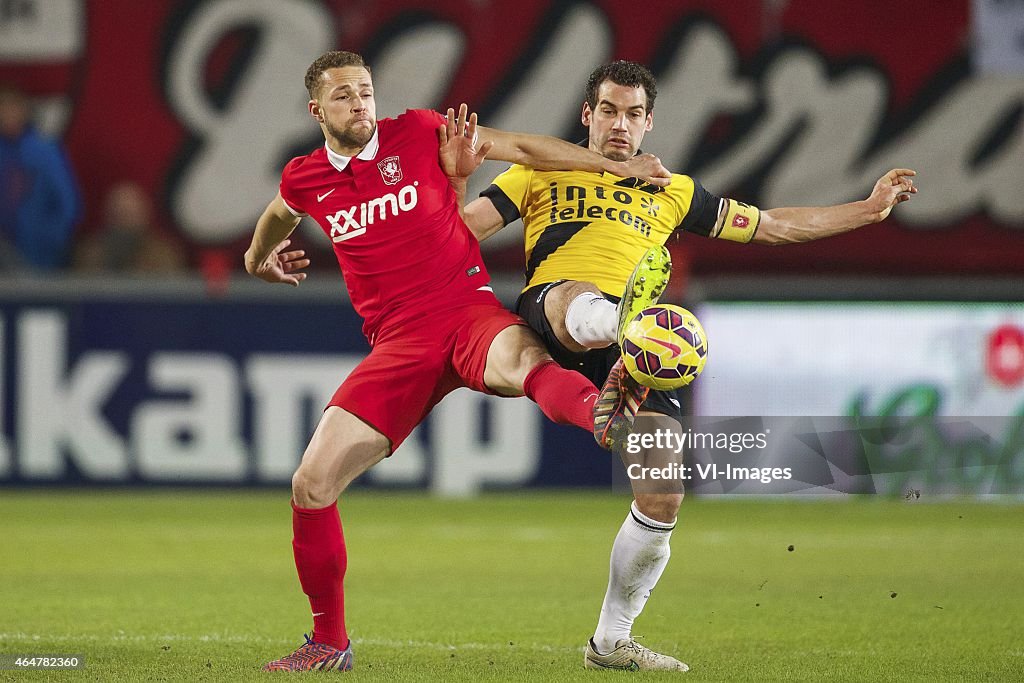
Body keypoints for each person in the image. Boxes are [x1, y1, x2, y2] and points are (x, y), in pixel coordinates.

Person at [450, 60, 918, 671]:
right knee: (577, 297)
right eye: (610, 110)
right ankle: (624, 326)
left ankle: (611, 640)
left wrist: (868, 209)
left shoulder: (675, 192)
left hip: (638, 348)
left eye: (634, 114)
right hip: (557, 310)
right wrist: (456, 182)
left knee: (663, 492)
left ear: (649, 123)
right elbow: (458, 234)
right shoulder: (538, 171)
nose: (621, 125)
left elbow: (773, 226)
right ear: (587, 116)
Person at [244, 50, 672, 672]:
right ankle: (328, 642)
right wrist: (259, 260)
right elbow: (277, 215)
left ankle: (606, 416)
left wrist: (616, 164)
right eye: (342, 96)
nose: (359, 103)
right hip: (399, 345)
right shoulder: (305, 177)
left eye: (364, 91)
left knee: (528, 365)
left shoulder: (418, 131)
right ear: (316, 109)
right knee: (310, 485)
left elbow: (524, 148)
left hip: (466, 310)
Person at [0, 83, 82, 271]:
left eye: (13, 107)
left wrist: (51, 238)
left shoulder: (45, 151)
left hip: (40, 257)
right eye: (2, 108)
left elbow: (68, 204)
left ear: (24, 110)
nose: (7, 114)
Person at [73, 181, 187, 274]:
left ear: (144, 214)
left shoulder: (164, 253)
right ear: (107, 215)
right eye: (118, 214)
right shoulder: (90, 253)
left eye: (129, 214)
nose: (124, 221)